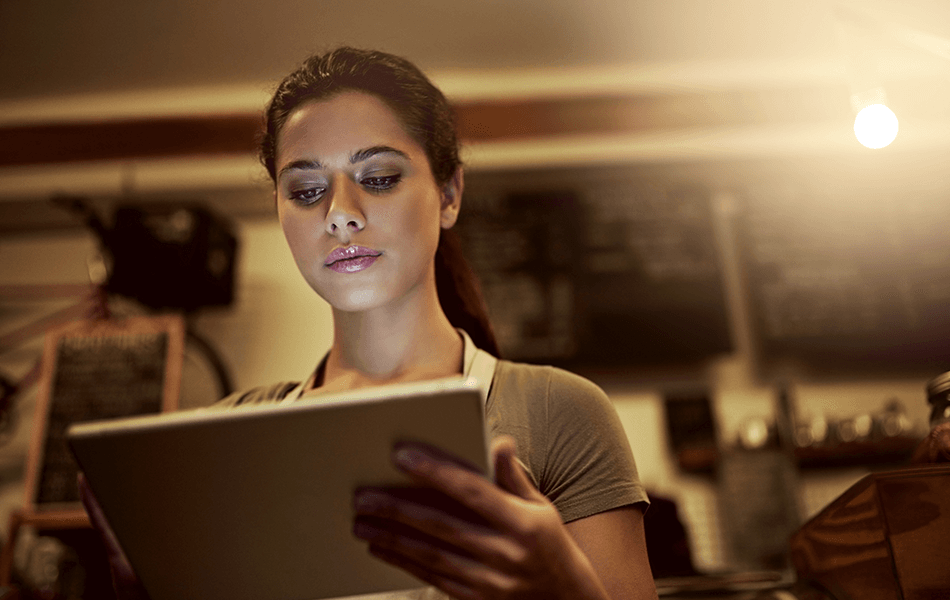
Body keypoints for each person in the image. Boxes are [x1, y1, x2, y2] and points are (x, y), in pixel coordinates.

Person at [80, 46, 657, 600]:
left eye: (378, 178)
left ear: (450, 193)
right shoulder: (221, 443)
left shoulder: (557, 413)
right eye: (306, 190)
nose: (340, 215)